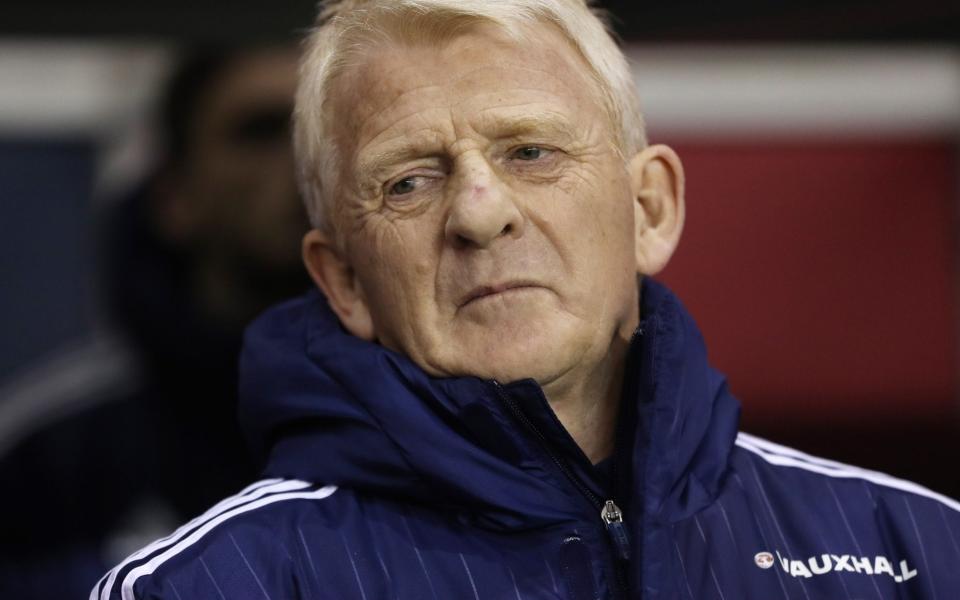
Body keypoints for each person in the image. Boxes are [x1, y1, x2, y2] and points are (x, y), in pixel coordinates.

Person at [93, 1, 960, 599]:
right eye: (408, 182)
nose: (479, 213)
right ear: (344, 282)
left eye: (531, 153)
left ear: (649, 209)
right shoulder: (212, 585)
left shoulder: (915, 551)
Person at [0, 46, 307, 600]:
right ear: (175, 197)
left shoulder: (441, 421)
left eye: (320, 129)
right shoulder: (53, 455)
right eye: (260, 131)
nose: (305, 158)